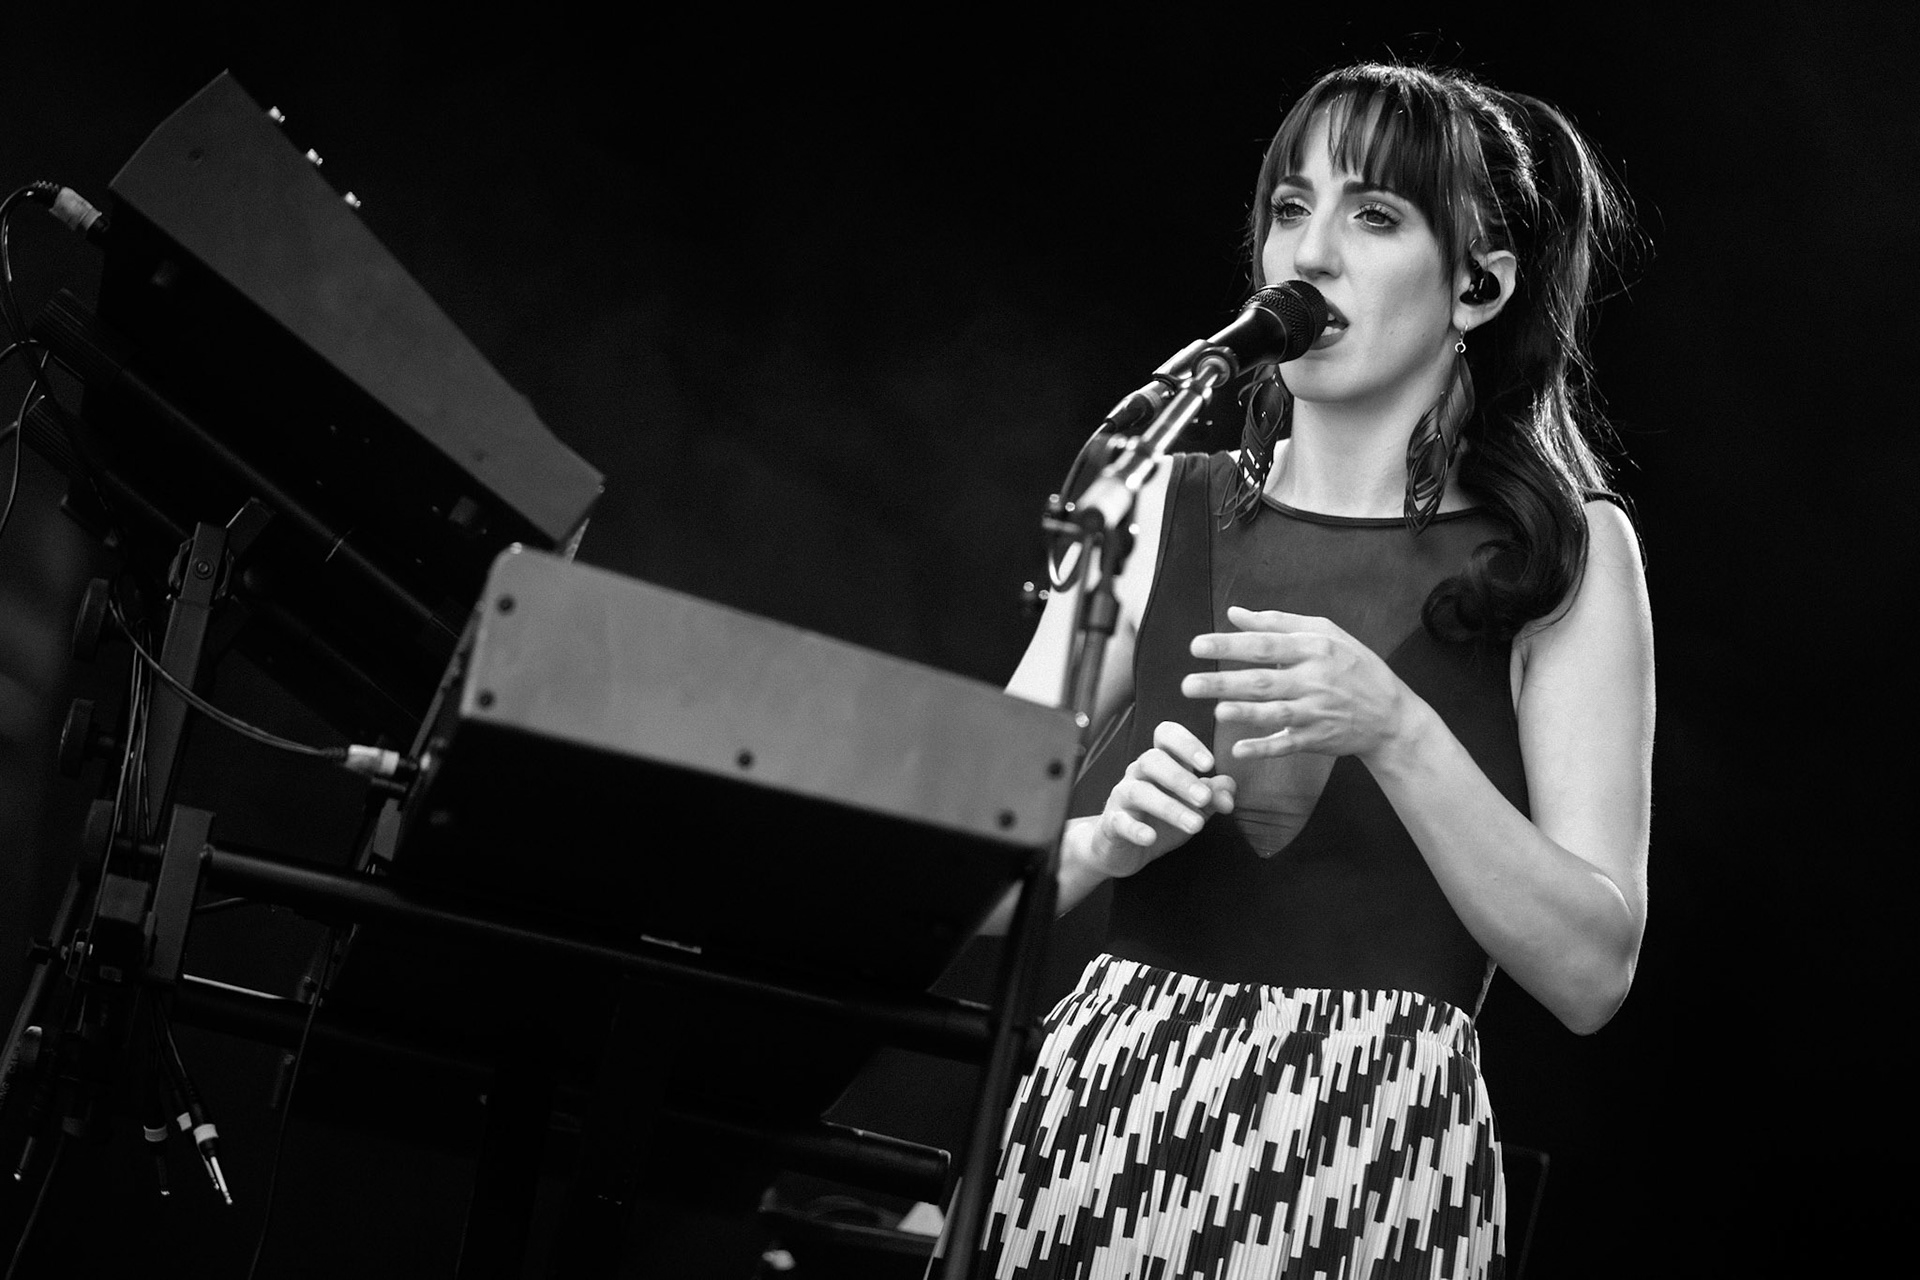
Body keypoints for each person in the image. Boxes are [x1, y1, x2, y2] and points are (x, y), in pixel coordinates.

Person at [976, 61, 1651, 1279]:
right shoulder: (1148, 505)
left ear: (1480, 286)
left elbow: (1594, 968)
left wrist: (1397, 729)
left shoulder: (1569, 551)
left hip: (1380, 1141)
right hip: (1110, 1110)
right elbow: (943, 860)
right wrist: (1096, 845)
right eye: (1292, 208)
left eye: (1375, 216)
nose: (1312, 253)